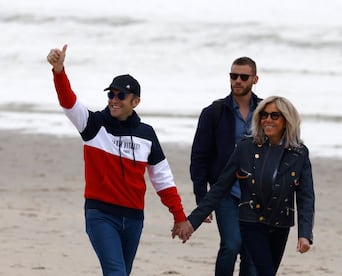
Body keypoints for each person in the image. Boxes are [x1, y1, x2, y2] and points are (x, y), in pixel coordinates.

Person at [46, 44, 191, 275]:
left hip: (133, 219)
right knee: (116, 273)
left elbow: (163, 179)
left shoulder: (147, 134)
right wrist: (59, 71)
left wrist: (179, 217)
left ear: (135, 102)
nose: (114, 99)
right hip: (100, 215)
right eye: (111, 94)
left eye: (121, 95)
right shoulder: (93, 124)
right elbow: (68, 102)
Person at [174, 96, 315, 276]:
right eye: (264, 115)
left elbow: (306, 197)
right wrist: (193, 221)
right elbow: (220, 187)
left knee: (265, 271)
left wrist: (304, 234)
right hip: (251, 219)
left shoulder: (299, 153)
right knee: (264, 271)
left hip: (280, 223)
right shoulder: (246, 148)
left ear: (287, 120)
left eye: (274, 115)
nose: (268, 120)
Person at [189, 57, 261, 275]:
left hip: (257, 193)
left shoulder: (266, 112)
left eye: (243, 77)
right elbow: (199, 158)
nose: (237, 81)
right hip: (225, 192)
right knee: (231, 244)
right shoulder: (214, 112)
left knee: (251, 252)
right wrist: (202, 197)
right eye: (233, 76)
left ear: (254, 79)